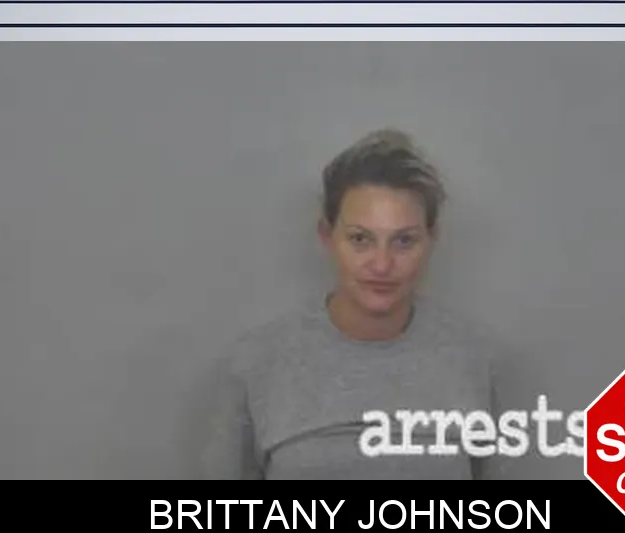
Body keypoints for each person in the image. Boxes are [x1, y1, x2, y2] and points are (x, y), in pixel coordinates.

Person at [201, 128, 507, 480]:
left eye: (404, 241)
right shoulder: (256, 364)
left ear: (431, 239)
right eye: (361, 239)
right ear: (327, 236)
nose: (382, 265)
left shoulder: (477, 361)